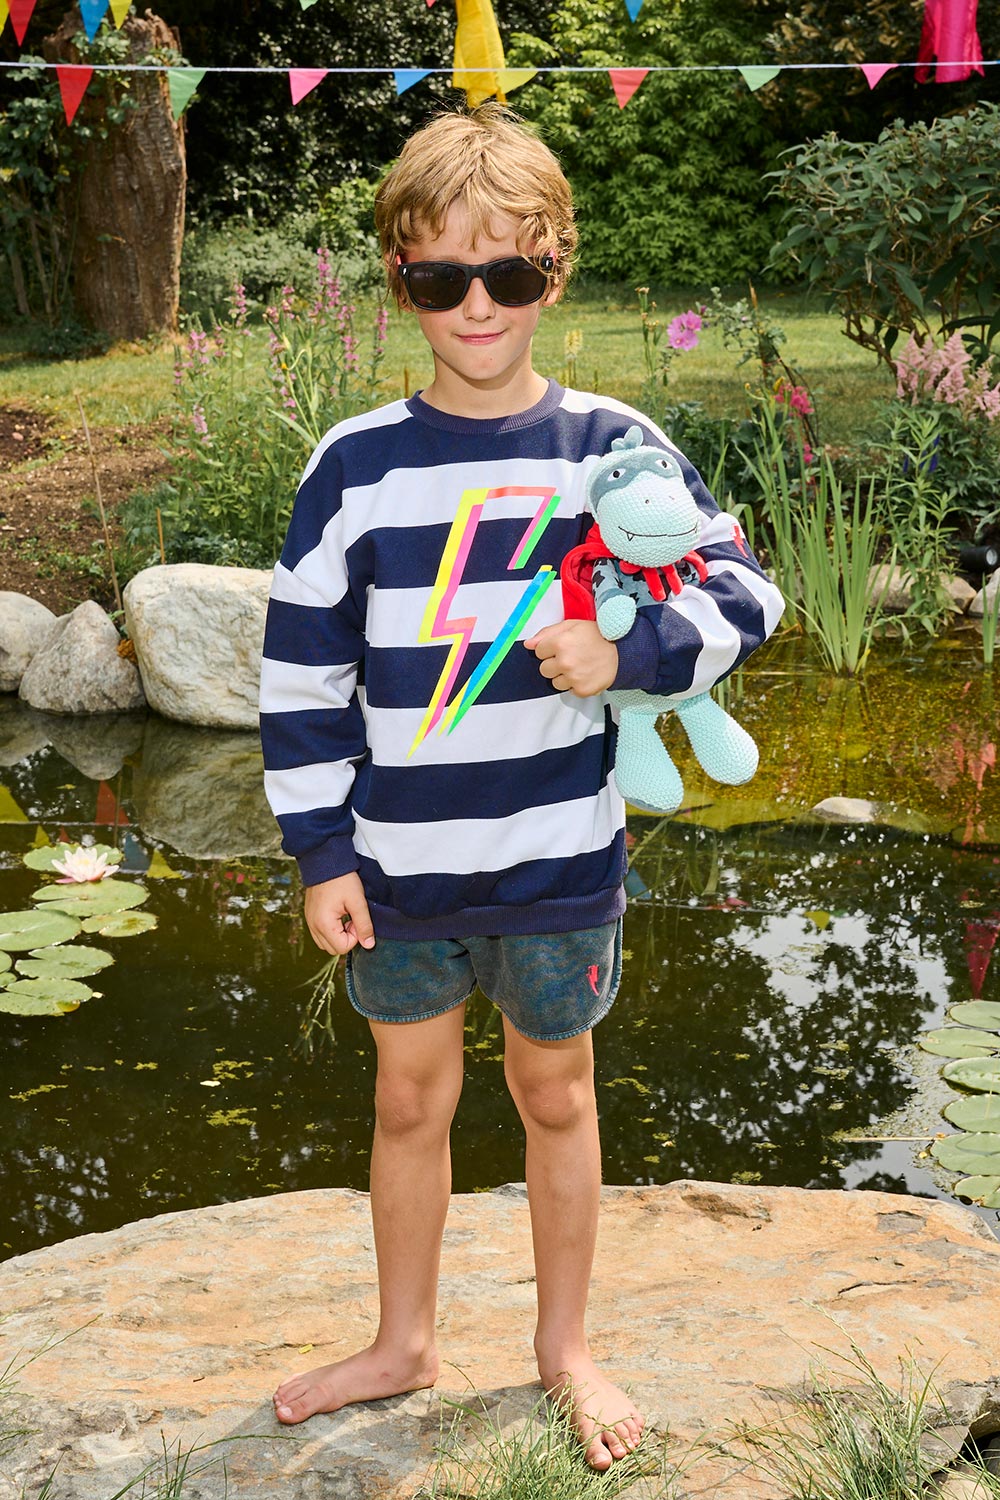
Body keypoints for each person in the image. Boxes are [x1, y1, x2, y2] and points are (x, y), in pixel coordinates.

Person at [259, 103, 784, 1471]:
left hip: (561, 852)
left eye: (511, 275)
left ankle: (564, 1347)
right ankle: (405, 1340)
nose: (476, 306)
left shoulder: (614, 451)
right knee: (408, 1100)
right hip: (405, 865)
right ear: (400, 281)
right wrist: (321, 853)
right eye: (441, 279)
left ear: (557, 270)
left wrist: (632, 645)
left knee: (556, 1093)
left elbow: (746, 593)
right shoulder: (354, 469)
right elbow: (300, 681)